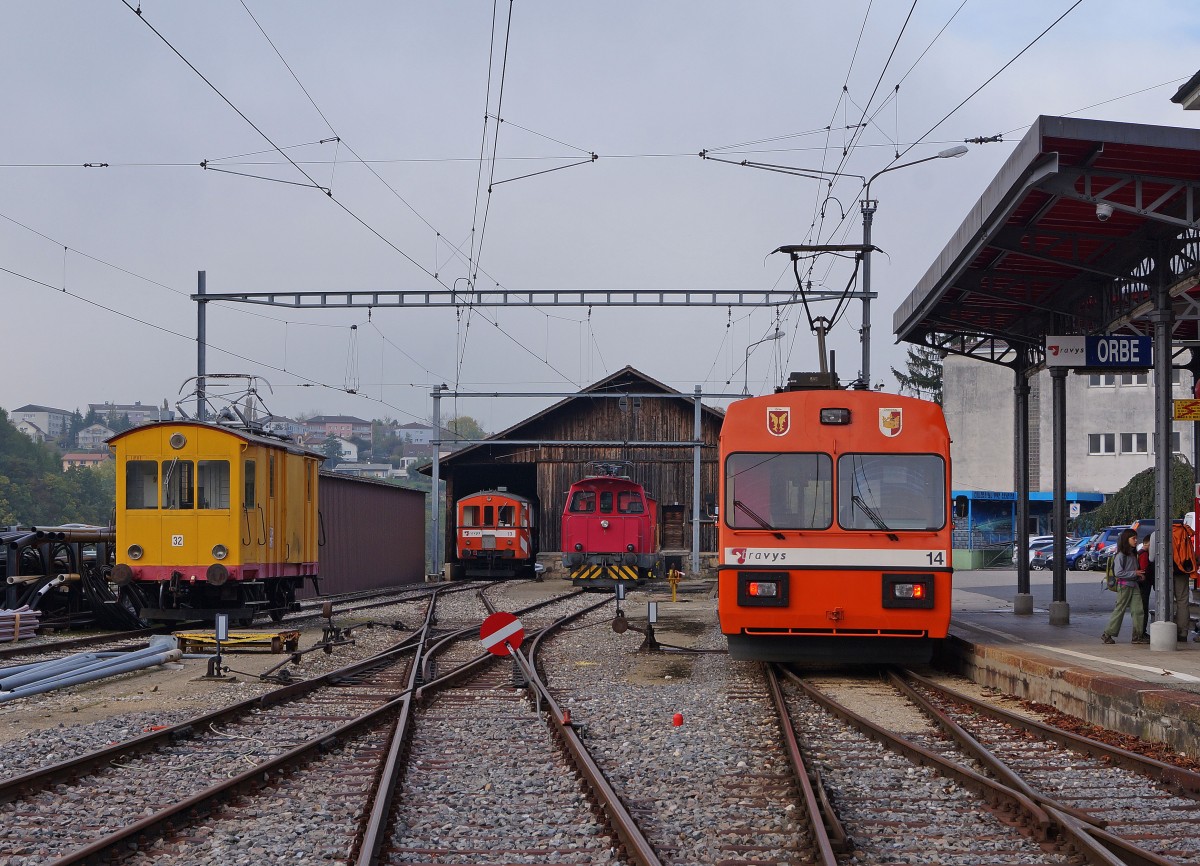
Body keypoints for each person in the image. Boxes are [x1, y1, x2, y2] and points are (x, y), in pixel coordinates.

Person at [1146, 523, 1195, 643]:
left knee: (1166, 599)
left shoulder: (1155, 534)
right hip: (1182, 571)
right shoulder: (1183, 531)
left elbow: (1152, 558)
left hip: (1165, 573)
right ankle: (1182, 632)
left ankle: (1168, 630)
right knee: (1183, 601)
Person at [1102, 528, 1146, 645]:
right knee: (1120, 610)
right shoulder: (1121, 555)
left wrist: (1138, 576)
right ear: (1126, 540)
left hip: (1134, 585)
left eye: (1136, 538)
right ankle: (1107, 634)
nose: (1136, 541)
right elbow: (1118, 573)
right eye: (1133, 538)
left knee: (1138, 611)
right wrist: (1135, 574)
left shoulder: (1132, 554)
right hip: (1124, 586)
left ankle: (1137, 635)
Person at [1137, 537, 1154, 637]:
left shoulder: (1139, 553)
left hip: (1141, 584)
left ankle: (1141, 631)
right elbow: (1144, 569)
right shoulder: (1144, 554)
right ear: (1148, 544)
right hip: (1144, 584)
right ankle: (1142, 632)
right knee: (1143, 607)